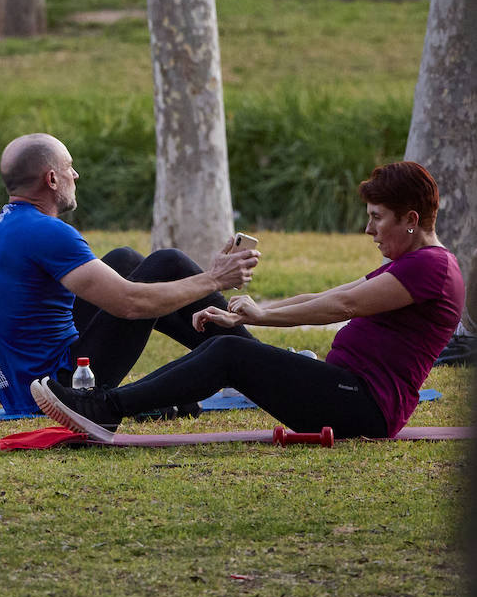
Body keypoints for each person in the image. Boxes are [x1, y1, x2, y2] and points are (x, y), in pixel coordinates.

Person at [33, 160, 465, 441]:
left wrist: (263, 316)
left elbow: (343, 308)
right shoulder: (413, 263)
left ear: (410, 220)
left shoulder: (431, 268)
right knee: (230, 347)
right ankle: (104, 405)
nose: (369, 231)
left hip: (364, 407)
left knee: (230, 353)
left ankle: (105, 408)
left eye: (376, 218)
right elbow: (332, 294)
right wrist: (251, 310)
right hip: (345, 390)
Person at [0, 133, 260, 415]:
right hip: (60, 390)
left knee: (124, 259)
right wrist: (215, 279)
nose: (76, 175)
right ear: (52, 179)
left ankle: (246, 362)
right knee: (166, 264)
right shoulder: (47, 232)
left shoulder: (1, 229)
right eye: (69, 167)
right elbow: (129, 304)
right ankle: (258, 364)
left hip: (25, 391)